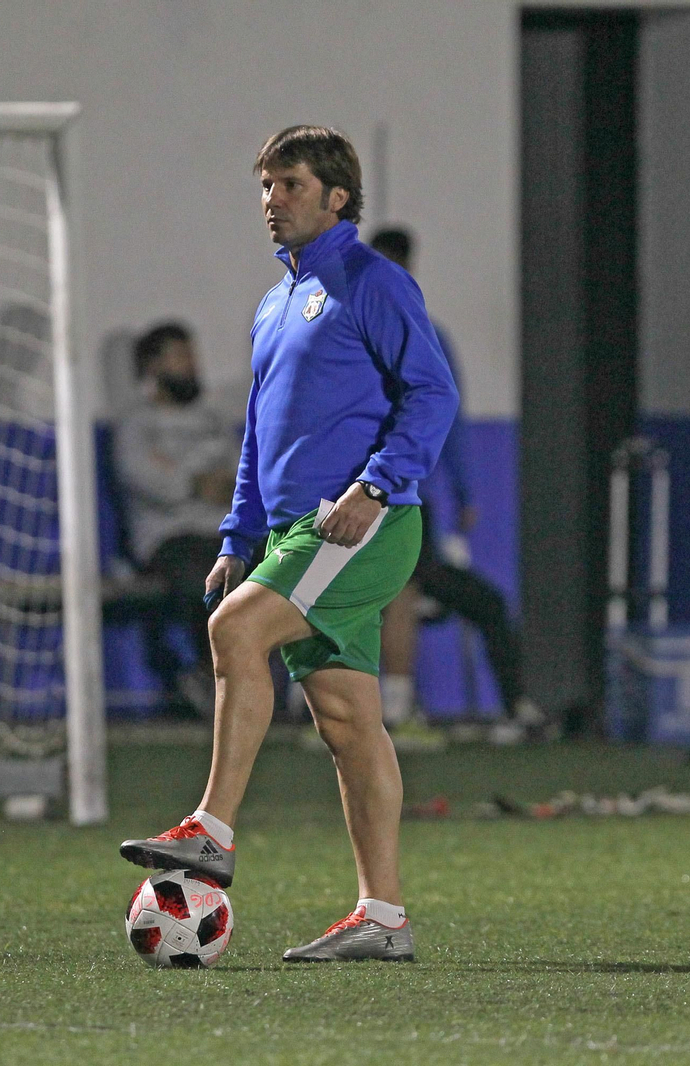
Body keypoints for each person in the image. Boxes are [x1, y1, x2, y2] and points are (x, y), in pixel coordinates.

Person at [119, 126, 458, 962]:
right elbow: (257, 439)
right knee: (346, 721)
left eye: (290, 185)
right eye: (265, 186)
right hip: (296, 529)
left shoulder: (374, 282)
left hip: (360, 522)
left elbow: (432, 393)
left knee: (235, 630)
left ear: (337, 197)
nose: (272, 201)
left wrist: (375, 485)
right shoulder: (275, 304)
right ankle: (383, 917)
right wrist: (239, 534)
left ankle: (213, 831)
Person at [367, 228, 552, 747]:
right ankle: (366, 712)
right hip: (353, 492)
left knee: (415, 591)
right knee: (358, 596)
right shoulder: (343, 334)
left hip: (403, 496)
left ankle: (400, 709)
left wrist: (464, 491)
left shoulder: (425, 336)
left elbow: (446, 418)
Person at [113, 322, 238, 716]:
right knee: (206, 572)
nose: (192, 365)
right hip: (169, 541)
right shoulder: (136, 427)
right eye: (181, 357)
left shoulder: (215, 420)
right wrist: (197, 482)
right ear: (153, 366)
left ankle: (246, 685)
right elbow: (156, 485)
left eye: (193, 355)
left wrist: (203, 482)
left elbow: (242, 479)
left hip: (222, 533)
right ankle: (210, 678)